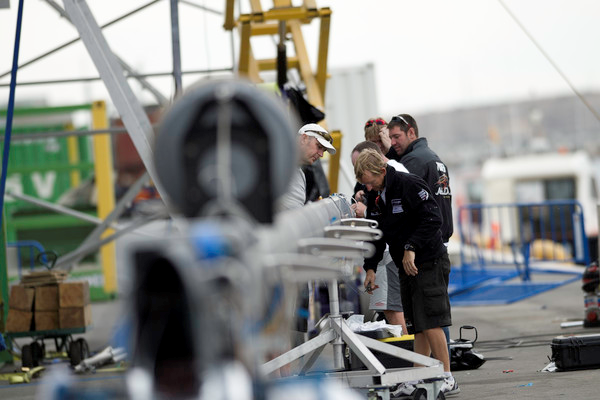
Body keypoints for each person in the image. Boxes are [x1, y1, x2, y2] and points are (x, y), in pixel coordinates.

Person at [354, 149, 459, 396]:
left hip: (428, 260)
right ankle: (417, 376)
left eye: (370, 181)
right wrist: (370, 268)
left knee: (431, 321)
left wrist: (411, 247)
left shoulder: (409, 184)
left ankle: (447, 376)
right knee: (417, 325)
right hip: (406, 264)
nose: (368, 187)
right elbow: (377, 236)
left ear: (382, 171)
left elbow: (433, 218)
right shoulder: (378, 196)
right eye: (365, 184)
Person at [349, 141, 408, 335]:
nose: (366, 185)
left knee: (392, 308)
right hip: (384, 253)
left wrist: (366, 211)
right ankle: (408, 348)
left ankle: (406, 348)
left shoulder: (398, 178)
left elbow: (391, 218)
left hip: (389, 253)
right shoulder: (377, 187)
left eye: (360, 166)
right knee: (390, 307)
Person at [276, 123, 336, 212]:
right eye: (319, 146)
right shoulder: (277, 164)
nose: (321, 154)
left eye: (324, 151)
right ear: (303, 138)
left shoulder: (298, 172)